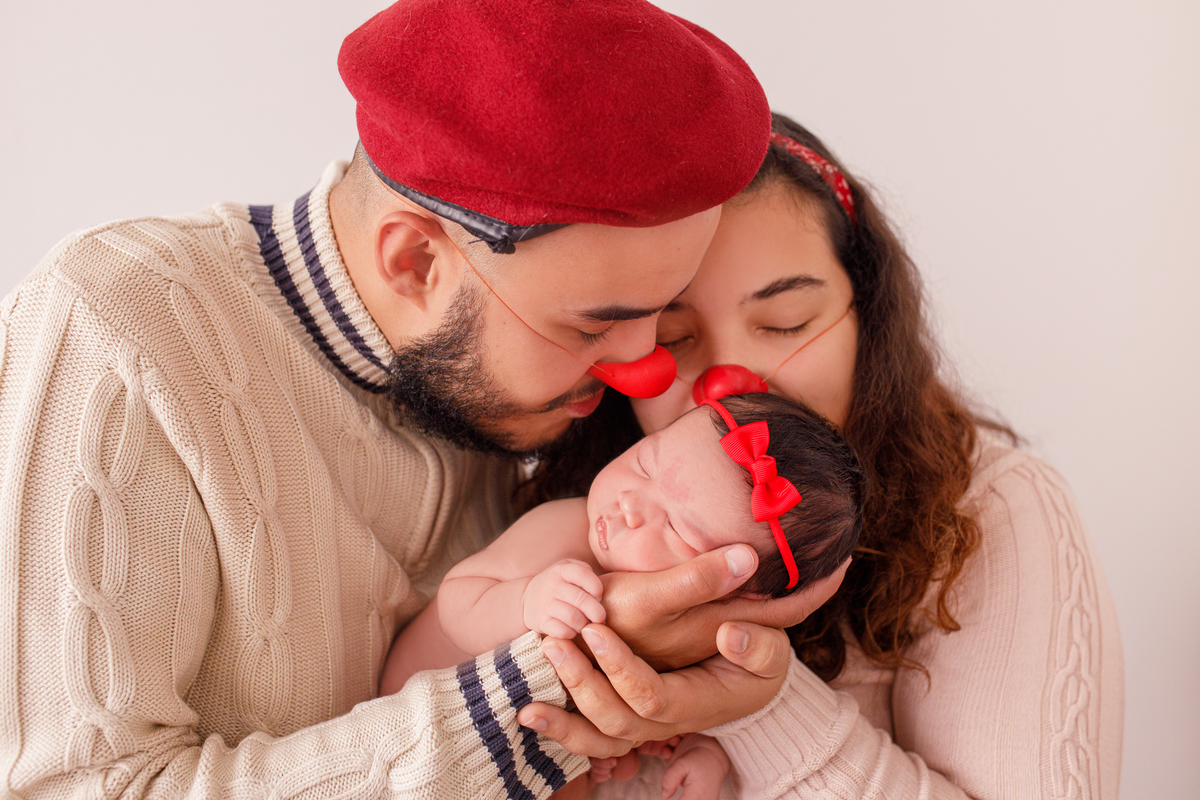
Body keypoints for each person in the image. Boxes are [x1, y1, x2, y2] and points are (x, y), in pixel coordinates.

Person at [0, 3, 846, 796]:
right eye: (595, 324)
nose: (646, 371)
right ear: (415, 263)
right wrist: (566, 676)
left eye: (660, 315)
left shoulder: (505, 390)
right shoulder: (116, 331)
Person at [517, 113, 1125, 799]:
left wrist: (757, 699)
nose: (731, 381)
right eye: (676, 336)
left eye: (786, 323)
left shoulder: (991, 511)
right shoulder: (566, 507)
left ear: (867, 313)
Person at [379, 392, 865, 799]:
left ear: (734, 587)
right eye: (645, 462)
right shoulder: (564, 535)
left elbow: (693, 707)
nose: (630, 504)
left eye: (677, 529)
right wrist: (527, 601)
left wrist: (701, 751)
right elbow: (457, 604)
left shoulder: (712, 635)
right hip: (417, 733)